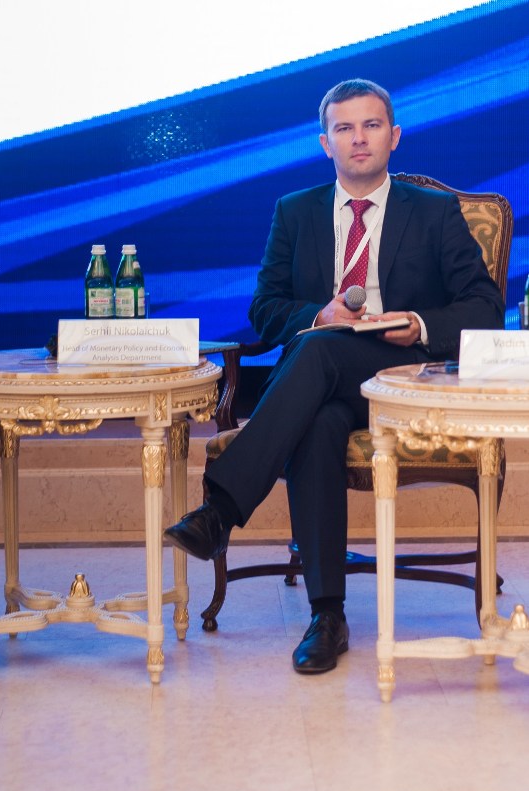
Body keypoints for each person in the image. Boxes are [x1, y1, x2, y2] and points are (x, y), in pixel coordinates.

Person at [164, 78, 505, 674]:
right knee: (319, 417)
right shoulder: (294, 211)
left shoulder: (434, 212)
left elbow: (484, 308)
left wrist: (419, 324)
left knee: (319, 355)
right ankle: (328, 616)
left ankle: (222, 508)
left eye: (371, 125)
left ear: (394, 136)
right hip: (319, 382)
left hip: (401, 378)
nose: (359, 138)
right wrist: (316, 316)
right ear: (326, 143)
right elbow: (265, 309)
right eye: (344, 128)